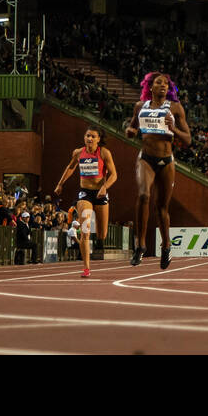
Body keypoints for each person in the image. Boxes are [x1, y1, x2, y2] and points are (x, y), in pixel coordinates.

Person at [125, 72, 191, 269]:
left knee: (162, 208)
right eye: (158, 82)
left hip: (166, 161)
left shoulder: (175, 108)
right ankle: (141, 245)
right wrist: (131, 132)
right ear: (150, 87)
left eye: (166, 83)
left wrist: (174, 129)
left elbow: (187, 140)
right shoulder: (140, 106)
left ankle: (166, 246)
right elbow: (132, 128)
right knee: (144, 195)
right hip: (145, 159)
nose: (163, 85)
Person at [54, 125, 118, 278]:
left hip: (100, 194)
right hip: (85, 194)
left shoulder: (104, 153)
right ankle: (86, 268)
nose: (89, 138)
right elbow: (70, 167)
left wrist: (104, 187)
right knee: (85, 231)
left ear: (98, 139)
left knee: (102, 234)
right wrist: (60, 184)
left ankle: (99, 240)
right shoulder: (78, 153)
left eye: (93, 136)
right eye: (87, 135)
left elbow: (114, 175)